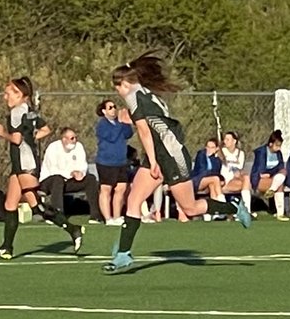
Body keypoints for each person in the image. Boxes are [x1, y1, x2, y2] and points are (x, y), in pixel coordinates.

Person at [104, 53, 251, 275]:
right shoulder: (146, 93)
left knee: (189, 208)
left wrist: (154, 160)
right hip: (159, 154)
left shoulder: (133, 96)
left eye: (117, 87)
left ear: (124, 83)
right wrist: (152, 157)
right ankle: (124, 254)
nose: (117, 92)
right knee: (133, 199)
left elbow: (145, 132)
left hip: (171, 157)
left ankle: (233, 207)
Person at [0, 77, 51, 259]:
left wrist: (2, 133)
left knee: (35, 205)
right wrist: (31, 139)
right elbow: (46, 130)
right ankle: (6, 247)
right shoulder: (29, 112)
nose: (5, 97)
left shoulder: (16, 113)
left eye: (8, 93)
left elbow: (16, 139)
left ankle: (72, 229)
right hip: (23, 162)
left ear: (20, 94)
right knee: (10, 204)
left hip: (23, 163)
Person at [36, 127, 98, 253]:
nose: (74, 140)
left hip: (69, 180)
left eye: (75, 138)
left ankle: (95, 215)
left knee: (91, 179)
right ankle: (58, 215)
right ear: (64, 139)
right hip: (49, 181)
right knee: (58, 179)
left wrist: (80, 173)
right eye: (71, 138)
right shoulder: (53, 148)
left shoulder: (79, 147)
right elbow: (53, 169)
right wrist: (71, 173)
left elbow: (83, 164)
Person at [94, 99, 134, 227]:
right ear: (104, 111)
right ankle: (108, 218)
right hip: (106, 162)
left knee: (121, 188)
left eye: (114, 107)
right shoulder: (102, 125)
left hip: (121, 161)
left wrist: (126, 122)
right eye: (110, 107)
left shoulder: (119, 123)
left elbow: (128, 134)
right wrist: (121, 123)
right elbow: (112, 137)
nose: (114, 109)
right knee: (106, 189)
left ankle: (117, 216)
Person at [184, 138, 225, 222]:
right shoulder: (201, 155)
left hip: (209, 181)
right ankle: (223, 204)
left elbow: (216, 172)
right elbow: (203, 171)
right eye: (208, 147)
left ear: (217, 149)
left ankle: (214, 212)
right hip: (197, 180)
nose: (209, 149)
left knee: (212, 185)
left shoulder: (217, 160)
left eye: (212, 147)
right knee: (215, 179)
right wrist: (217, 177)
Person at [250, 131, 287, 215]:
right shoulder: (261, 152)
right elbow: (260, 170)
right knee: (280, 184)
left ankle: (280, 212)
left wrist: (271, 174)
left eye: (280, 146)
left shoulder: (278, 153)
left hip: (272, 177)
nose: (279, 148)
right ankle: (280, 212)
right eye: (277, 146)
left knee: (283, 173)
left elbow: (280, 167)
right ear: (270, 144)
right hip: (259, 179)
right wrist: (267, 174)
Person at [219, 130, 251, 216]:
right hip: (223, 181)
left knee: (246, 178)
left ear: (234, 141)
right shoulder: (221, 152)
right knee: (245, 182)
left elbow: (239, 169)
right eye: (225, 139)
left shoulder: (240, 153)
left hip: (234, 180)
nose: (225, 141)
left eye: (228, 139)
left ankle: (247, 210)